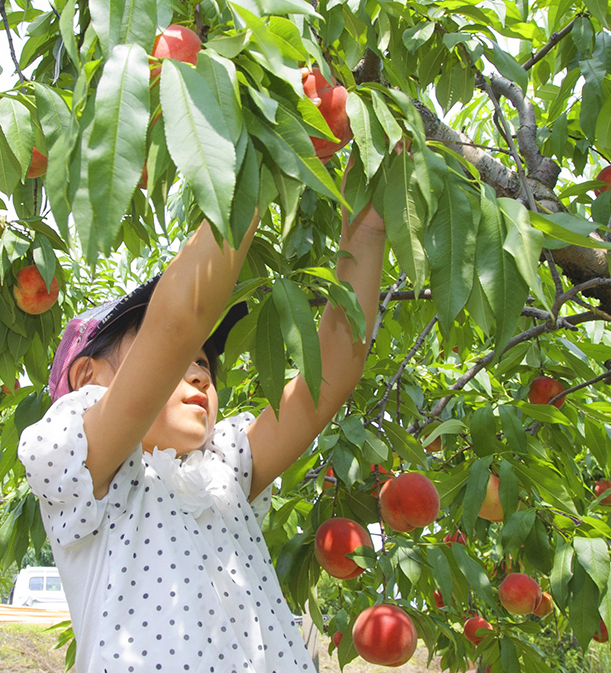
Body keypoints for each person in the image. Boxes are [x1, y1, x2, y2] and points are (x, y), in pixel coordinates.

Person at [19, 204, 387, 671]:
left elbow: (333, 369)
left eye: (204, 363)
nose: (198, 374)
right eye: (178, 361)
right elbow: (177, 321)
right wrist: (242, 180)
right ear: (88, 377)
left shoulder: (222, 472)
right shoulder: (86, 475)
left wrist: (368, 226)